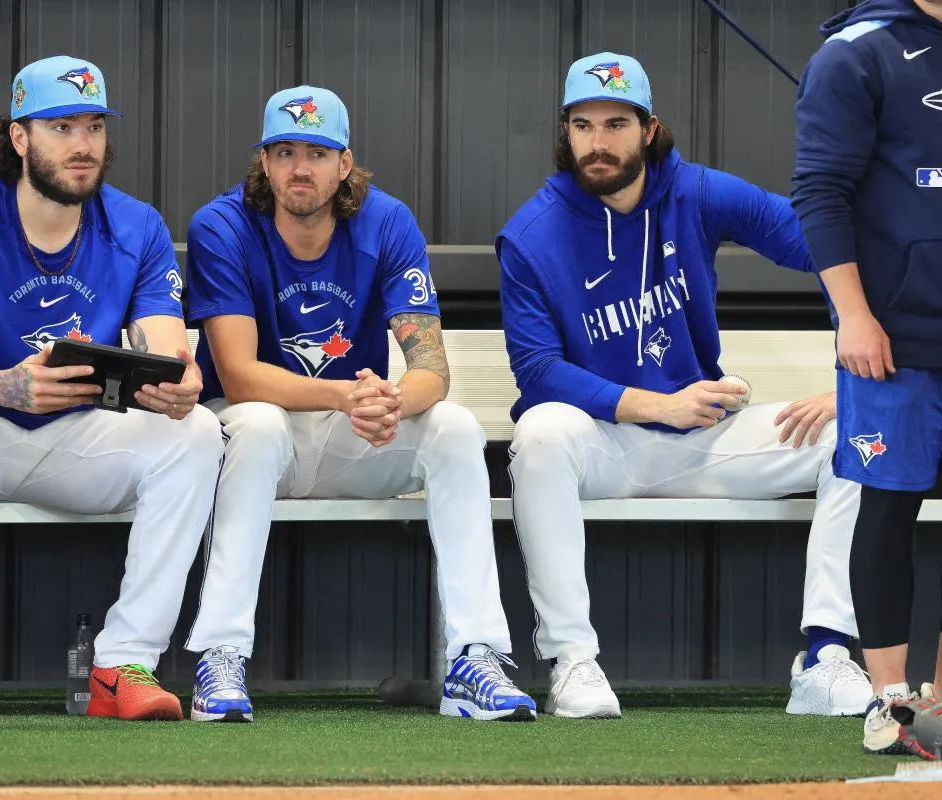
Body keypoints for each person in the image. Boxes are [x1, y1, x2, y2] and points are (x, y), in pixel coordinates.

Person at [497, 52, 872, 719]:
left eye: (616, 123)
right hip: (605, 443)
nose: (599, 141)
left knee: (859, 432)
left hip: (705, 438)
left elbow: (821, 243)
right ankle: (573, 663)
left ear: (648, 129)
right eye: (583, 125)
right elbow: (537, 371)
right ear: (566, 132)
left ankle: (826, 654)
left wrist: (850, 376)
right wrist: (657, 404)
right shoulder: (531, 234)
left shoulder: (694, 192)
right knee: (539, 433)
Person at [0, 55, 223, 723]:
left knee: (199, 432)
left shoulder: (137, 225)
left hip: (75, 432)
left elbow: (169, 349)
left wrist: (180, 384)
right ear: (19, 137)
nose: (83, 145)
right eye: (61, 126)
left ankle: (125, 664)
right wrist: (7, 386)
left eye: (94, 127)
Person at [181, 85, 536, 723]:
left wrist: (389, 403)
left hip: (352, 435)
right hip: (254, 444)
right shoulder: (223, 224)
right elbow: (237, 376)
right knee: (259, 425)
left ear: (345, 163)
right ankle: (221, 654)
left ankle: (474, 655)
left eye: (317, 152)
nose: (299, 168)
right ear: (263, 161)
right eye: (284, 151)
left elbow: (432, 368)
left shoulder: (387, 221)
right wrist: (350, 395)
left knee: (452, 428)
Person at [792, 0, 942, 756]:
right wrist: (852, 313)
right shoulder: (856, 53)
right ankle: (890, 701)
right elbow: (820, 191)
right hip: (893, 332)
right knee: (888, 507)